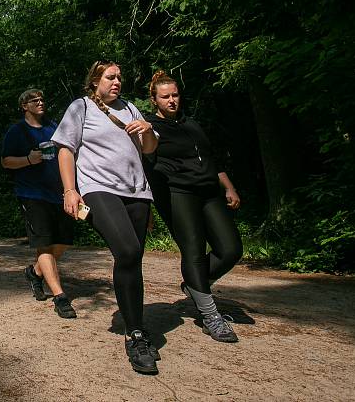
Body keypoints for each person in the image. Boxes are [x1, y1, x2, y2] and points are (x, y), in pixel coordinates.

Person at [52, 60, 159, 375]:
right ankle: (135, 334)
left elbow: (149, 149)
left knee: (133, 258)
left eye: (120, 77)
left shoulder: (131, 109)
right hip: (98, 189)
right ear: (95, 80)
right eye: (110, 77)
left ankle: (136, 330)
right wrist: (70, 191)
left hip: (137, 192)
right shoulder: (81, 107)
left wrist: (149, 130)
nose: (117, 82)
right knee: (126, 250)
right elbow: (65, 150)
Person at [144, 69, 243, 343]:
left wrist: (229, 187)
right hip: (178, 193)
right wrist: (147, 207)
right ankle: (211, 315)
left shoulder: (192, 124)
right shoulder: (151, 128)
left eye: (175, 95)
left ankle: (195, 283)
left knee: (231, 248)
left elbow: (211, 159)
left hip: (210, 191)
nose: (172, 100)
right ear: (155, 100)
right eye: (165, 97)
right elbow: (144, 167)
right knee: (194, 252)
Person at [1, 88, 76, 318]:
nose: (40, 102)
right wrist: (28, 159)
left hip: (59, 193)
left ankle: (35, 272)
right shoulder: (17, 131)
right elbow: (5, 162)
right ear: (25, 106)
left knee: (63, 243)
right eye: (34, 100)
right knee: (44, 244)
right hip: (32, 194)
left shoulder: (53, 128)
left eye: (42, 99)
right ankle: (60, 297)